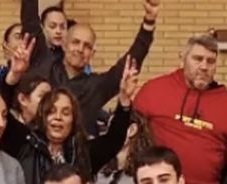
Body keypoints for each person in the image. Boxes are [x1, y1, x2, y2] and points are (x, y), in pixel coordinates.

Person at [132, 35, 227, 184]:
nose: (204, 66)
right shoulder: (154, 89)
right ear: (183, 59)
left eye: (210, 61)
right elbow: (130, 135)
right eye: (198, 59)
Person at [7, 77, 139, 184]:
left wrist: (124, 101)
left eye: (66, 113)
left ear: (73, 120)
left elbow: (113, 140)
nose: (58, 117)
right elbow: (4, 114)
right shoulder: (25, 144)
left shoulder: (83, 152)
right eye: (51, 111)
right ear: (42, 116)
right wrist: (12, 77)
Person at [23, 0, 159, 128]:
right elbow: (30, 23)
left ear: (92, 54)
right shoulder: (44, 64)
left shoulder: (97, 87)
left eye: (87, 46)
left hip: (79, 145)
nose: (80, 49)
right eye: (75, 42)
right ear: (64, 44)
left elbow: (130, 62)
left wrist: (149, 22)